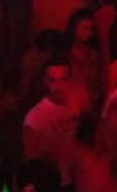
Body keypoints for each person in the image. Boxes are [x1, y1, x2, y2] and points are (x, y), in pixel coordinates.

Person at [23, 57, 81, 189]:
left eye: (63, 80)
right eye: (52, 80)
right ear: (45, 82)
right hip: (49, 185)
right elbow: (30, 161)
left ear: (70, 80)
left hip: (75, 181)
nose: (58, 85)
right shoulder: (35, 116)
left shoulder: (77, 106)